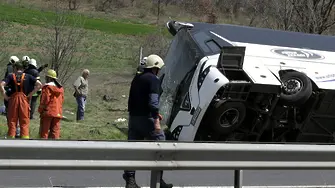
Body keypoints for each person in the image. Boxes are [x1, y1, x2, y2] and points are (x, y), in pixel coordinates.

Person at [123, 54, 173, 188]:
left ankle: (130, 179)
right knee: (161, 145)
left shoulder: (137, 78)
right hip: (147, 119)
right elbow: (153, 102)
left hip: (133, 119)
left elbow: (133, 100)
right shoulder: (153, 80)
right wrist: (156, 119)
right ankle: (158, 180)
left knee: (133, 149)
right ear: (155, 67)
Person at [0, 61, 42, 139]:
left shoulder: (10, 76)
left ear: (15, 68)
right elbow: (39, 85)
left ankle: (11, 141)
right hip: (24, 100)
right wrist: (31, 94)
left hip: (13, 100)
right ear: (22, 68)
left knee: (12, 121)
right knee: (24, 121)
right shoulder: (29, 76)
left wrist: (5, 95)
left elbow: (1, 84)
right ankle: (24, 142)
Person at [38, 69, 64, 139]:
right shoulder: (61, 89)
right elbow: (62, 101)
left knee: (44, 131)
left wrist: (40, 110)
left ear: (49, 78)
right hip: (57, 113)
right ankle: (55, 147)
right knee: (55, 132)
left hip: (48, 112)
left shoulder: (47, 88)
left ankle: (43, 147)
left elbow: (45, 100)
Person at [3, 56, 20, 137]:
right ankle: (16, 132)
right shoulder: (12, 70)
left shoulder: (9, 69)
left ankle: (12, 132)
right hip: (16, 96)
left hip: (10, 96)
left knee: (10, 115)